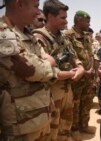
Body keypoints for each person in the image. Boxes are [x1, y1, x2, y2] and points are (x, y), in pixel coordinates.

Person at [0, 0, 71, 140]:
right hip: (20, 125)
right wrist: (47, 64)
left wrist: (45, 63)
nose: (38, 12)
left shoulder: (28, 34)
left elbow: (45, 60)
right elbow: (29, 70)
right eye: (36, 6)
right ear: (19, 4)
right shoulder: (3, 34)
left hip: (40, 116)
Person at [32, 0, 84, 140]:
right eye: (63, 18)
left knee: (65, 128)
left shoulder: (63, 38)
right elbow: (45, 71)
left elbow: (74, 58)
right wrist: (70, 74)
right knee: (52, 132)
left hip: (67, 91)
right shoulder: (39, 38)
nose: (66, 21)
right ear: (49, 17)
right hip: (51, 95)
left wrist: (80, 68)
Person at [64, 10, 96, 136]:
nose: (89, 23)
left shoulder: (87, 36)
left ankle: (84, 125)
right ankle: (74, 128)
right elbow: (70, 55)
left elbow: (91, 54)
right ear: (78, 20)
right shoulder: (68, 35)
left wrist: (91, 69)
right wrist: (83, 71)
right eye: (87, 21)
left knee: (87, 102)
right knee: (75, 104)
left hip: (88, 76)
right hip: (77, 77)